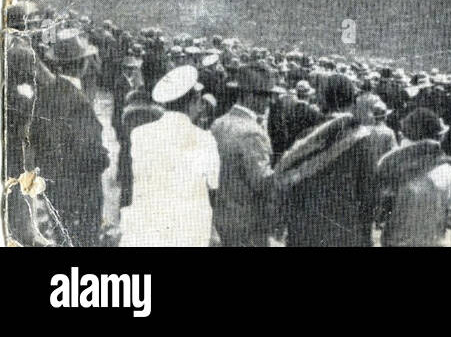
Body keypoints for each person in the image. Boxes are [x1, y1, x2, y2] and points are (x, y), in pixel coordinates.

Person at [275, 74, 395, 246]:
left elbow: (290, 187)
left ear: (323, 101)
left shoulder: (307, 136)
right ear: (352, 102)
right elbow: (369, 195)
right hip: (344, 233)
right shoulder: (361, 139)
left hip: (305, 231)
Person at [28, 28, 111, 246]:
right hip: (82, 192)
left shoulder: (45, 94)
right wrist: (104, 157)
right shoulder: (79, 101)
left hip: (54, 187)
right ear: (82, 64)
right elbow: (91, 155)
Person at [121, 65, 220, 247]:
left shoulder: (140, 134)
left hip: (149, 226)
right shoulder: (205, 139)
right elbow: (213, 187)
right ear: (194, 101)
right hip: (189, 229)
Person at [210, 64, 283, 247]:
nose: (271, 101)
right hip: (249, 225)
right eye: (266, 95)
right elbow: (263, 183)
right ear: (249, 95)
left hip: (221, 219)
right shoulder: (252, 132)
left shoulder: (218, 123)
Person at [376, 109, 451, 247]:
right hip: (433, 241)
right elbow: (449, 214)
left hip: (396, 241)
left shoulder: (387, 165)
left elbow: (380, 214)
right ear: (437, 136)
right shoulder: (447, 168)